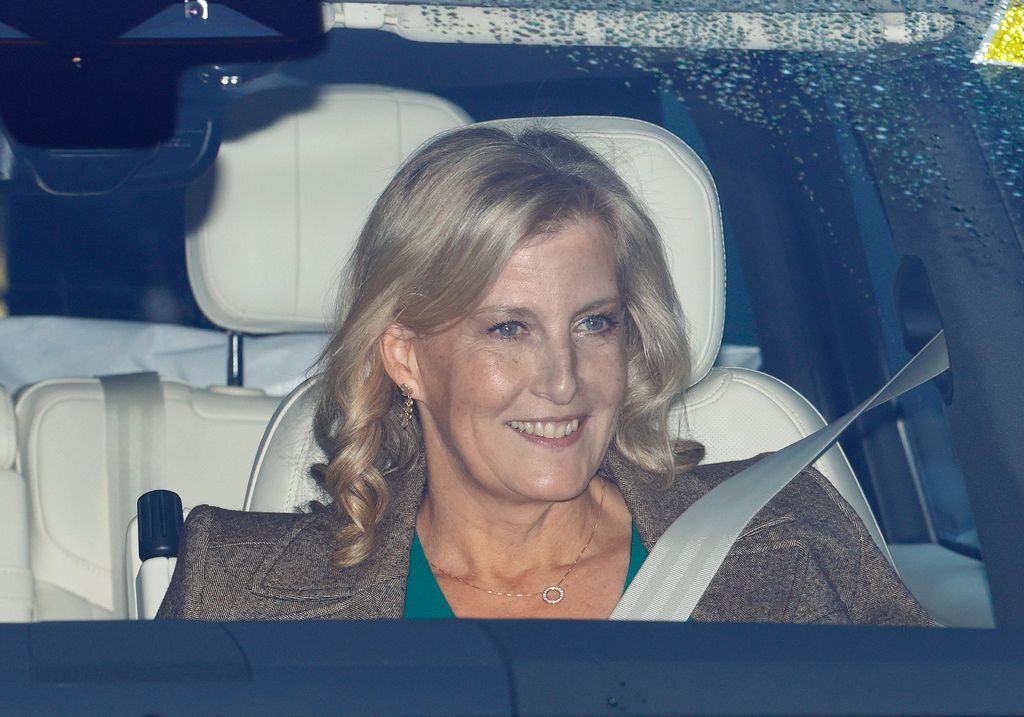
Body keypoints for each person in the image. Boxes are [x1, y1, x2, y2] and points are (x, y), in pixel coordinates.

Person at [158, 125, 932, 625]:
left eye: (595, 323)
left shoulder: (785, 529)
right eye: (507, 329)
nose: (563, 380)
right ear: (406, 359)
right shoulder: (233, 587)